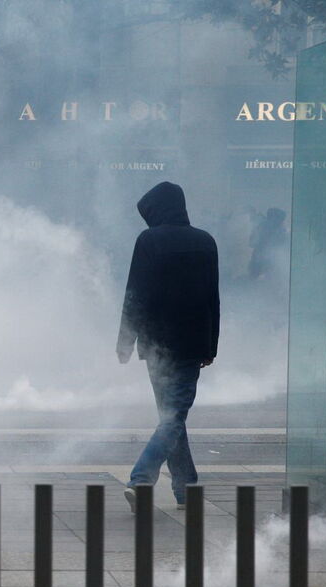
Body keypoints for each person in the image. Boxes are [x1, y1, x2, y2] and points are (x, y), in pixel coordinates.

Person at [117, 181, 219, 511]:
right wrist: (211, 345)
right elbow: (212, 299)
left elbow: (136, 293)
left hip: (157, 346)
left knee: (171, 417)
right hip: (191, 345)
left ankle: (141, 480)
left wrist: (126, 341)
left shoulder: (148, 240)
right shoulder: (206, 242)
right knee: (173, 418)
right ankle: (186, 488)